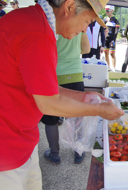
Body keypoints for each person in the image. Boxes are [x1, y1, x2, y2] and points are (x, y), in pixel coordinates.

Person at [0, 0, 124, 189]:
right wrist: (99, 110)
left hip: (21, 139)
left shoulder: (33, 21)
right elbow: (49, 103)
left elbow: (45, 89)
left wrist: (86, 96)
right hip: (4, 146)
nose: (85, 30)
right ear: (69, 7)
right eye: (87, 21)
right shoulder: (36, 31)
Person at [42, 32, 90, 165]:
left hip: (54, 73)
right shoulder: (79, 27)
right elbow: (86, 49)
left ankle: (54, 154)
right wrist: (72, 52)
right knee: (77, 116)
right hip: (75, 74)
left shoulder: (52, 25)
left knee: (50, 118)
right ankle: (78, 152)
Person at [104, 5, 119, 71]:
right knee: (106, 52)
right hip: (106, 39)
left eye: (108, 10)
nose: (106, 12)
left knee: (112, 53)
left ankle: (113, 68)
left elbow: (116, 31)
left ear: (112, 11)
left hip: (112, 39)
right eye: (106, 10)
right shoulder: (105, 20)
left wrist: (114, 40)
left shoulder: (115, 21)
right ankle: (108, 67)